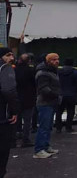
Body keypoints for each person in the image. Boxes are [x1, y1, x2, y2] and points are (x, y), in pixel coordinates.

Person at [33, 53, 60, 159]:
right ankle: (39, 150)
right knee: (44, 127)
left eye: (57, 59)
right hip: (45, 103)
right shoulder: (43, 73)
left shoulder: (52, 71)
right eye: (54, 60)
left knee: (48, 126)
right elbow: (43, 88)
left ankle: (46, 146)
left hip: (51, 102)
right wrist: (55, 95)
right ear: (48, 61)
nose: (57, 61)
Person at [0, 48, 18, 176]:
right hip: (2, 118)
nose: (12, 58)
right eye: (8, 55)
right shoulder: (5, 69)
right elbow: (9, 92)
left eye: (12, 55)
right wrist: (15, 111)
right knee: (2, 151)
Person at [14, 53, 35, 147]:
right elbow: (34, 85)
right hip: (28, 99)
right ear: (29, 61)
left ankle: (14, 138)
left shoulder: (14, 70)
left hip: (16, 98)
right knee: (27, 121)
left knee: (15, 119)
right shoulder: (30, 71)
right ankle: (26, 140)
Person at [55, 58, 77, 133]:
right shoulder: (75, 72)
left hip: (61, 94)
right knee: (70, 111)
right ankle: (68, 127)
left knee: (59, 111)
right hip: (71, 94)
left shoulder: (59, 71)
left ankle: (58, 127)